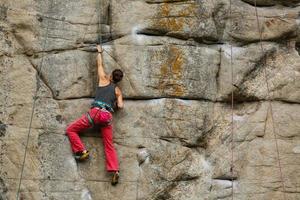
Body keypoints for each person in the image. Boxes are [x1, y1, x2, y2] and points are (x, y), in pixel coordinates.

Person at [66, 45, 124, 185]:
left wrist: (99, 52)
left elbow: (99, 64)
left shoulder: (103, 80)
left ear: (111, 76)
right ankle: (114, 170)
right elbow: (121, 106)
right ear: (119, 80)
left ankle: (81, 151)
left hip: (95, 113)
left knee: (71, 130)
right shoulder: (118, 91)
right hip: (107, 117)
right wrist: (114, 103)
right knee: (108, 144)